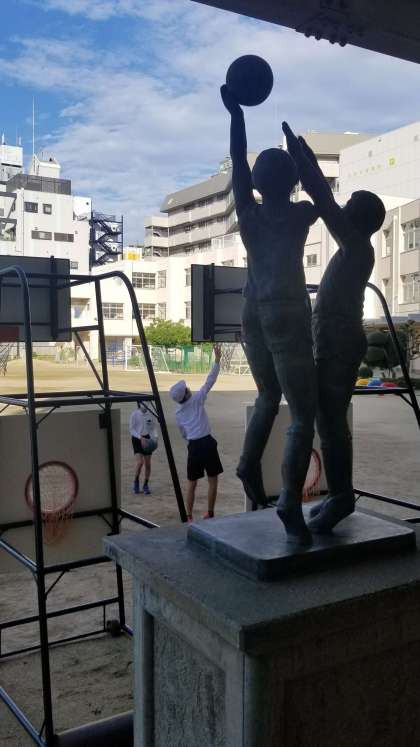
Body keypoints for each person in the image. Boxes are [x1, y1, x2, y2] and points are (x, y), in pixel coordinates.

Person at [221, 84, 318, 545]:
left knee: (267, 396)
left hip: (252, 310)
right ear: (293, 183)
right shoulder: (301, 215)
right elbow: (321, 195)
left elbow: (238, 164)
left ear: (257, 185)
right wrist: (304, 159)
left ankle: (247, 464)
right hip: (286, 312)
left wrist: (237, 116)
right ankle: (289, 503)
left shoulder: (249, 214)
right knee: (302, 415)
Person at [282, 121, 386, 532]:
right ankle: (340, 495)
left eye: (349, 207)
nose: (342, 210)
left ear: (359, 219)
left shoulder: (357, 247)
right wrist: (306, 158)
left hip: (339, 342)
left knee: (330, 424)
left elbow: (324, 202)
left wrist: (302, 160)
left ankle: (342, 496)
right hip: (332, 339)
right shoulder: (354, 248)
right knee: (328, 422)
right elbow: (328, 202)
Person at [170, 344, 223, 523]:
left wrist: (190, 440)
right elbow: (210, 381)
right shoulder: (197, 399)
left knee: (191, 482)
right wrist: (217, 360)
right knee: (213, 479)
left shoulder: (178, 413)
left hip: (193, 445)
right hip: (207, 442)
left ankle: (189, 516)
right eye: (187, 389)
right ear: (186, 394)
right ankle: (210, 512)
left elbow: (183, 433)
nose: (189, 389)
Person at [130, 402, 157, 495]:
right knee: (140, 462)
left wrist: (155, 438)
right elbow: (131, 429)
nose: (146, 405)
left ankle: (145, 484)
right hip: (137, 439)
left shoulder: (150, 415)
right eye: (144, 403)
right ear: (139, 403)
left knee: (148, 464)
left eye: (147, 403)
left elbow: (153, 428)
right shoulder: (134, 414)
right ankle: (136, 481)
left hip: (148, 439)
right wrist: (140, 438)